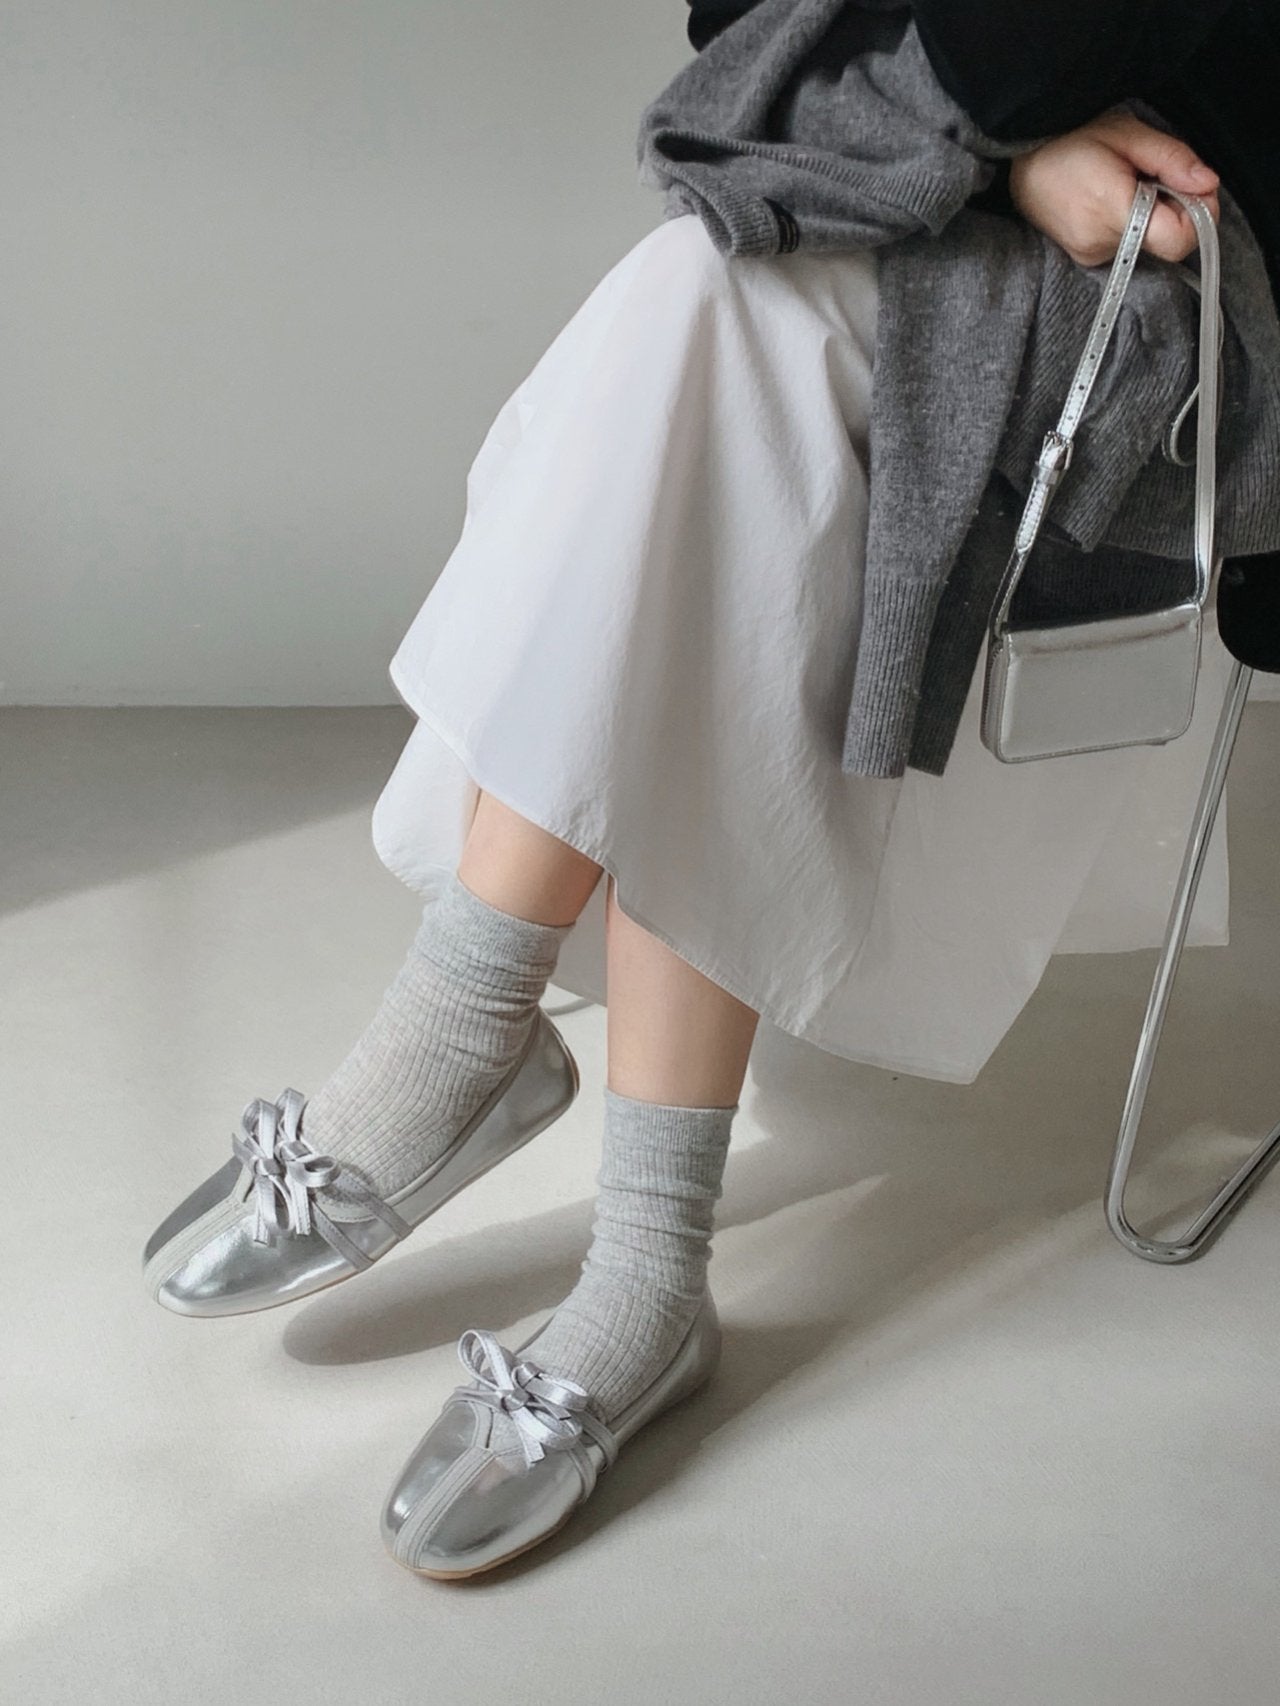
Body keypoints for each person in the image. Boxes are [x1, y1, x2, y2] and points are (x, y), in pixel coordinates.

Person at [141, 2, 1278, 1579]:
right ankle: (628, 1238)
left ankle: (477, 1038)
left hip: (1189, 244)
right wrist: (998, 150)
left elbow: (1031, 41)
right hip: (952, 174)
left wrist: (991, 127)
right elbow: (730, 16)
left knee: (711, 335)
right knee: (709, 322)